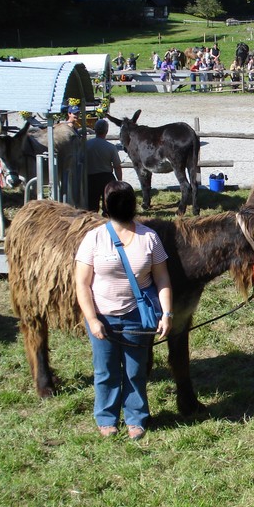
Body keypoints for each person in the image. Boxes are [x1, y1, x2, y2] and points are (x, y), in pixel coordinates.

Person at [74, 180, 173, 440]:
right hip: (103, 317)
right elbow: (82, 284)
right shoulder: (93, 238)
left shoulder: (149, 238)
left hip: (137, 318)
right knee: (105, 370)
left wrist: (167, 313)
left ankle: (136, 417)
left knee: (135, 370)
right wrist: (92, 319)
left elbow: (162, 279)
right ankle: (106, 418)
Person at [86, 119, 123, 215]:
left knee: (91, 205)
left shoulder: (87, 145)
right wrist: (119, 180)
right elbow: (117, 166)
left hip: (91, 177)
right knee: (109, 204)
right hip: (107, 177)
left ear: (95, 130)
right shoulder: (110, 147)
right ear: (106, 131)